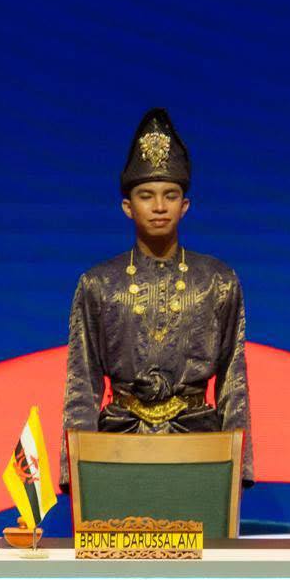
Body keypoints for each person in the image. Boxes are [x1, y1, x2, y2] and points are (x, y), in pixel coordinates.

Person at [63, 108, 252, 483]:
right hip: (118, 443)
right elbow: (81, 382)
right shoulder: (99, 283)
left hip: (198, 442)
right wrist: (75, 467)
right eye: (146, 196)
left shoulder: (217, 281)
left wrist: (237, 464)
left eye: (171, 195)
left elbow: (234, 379)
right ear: (127, 207)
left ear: (185, 205)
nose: (160, 206)